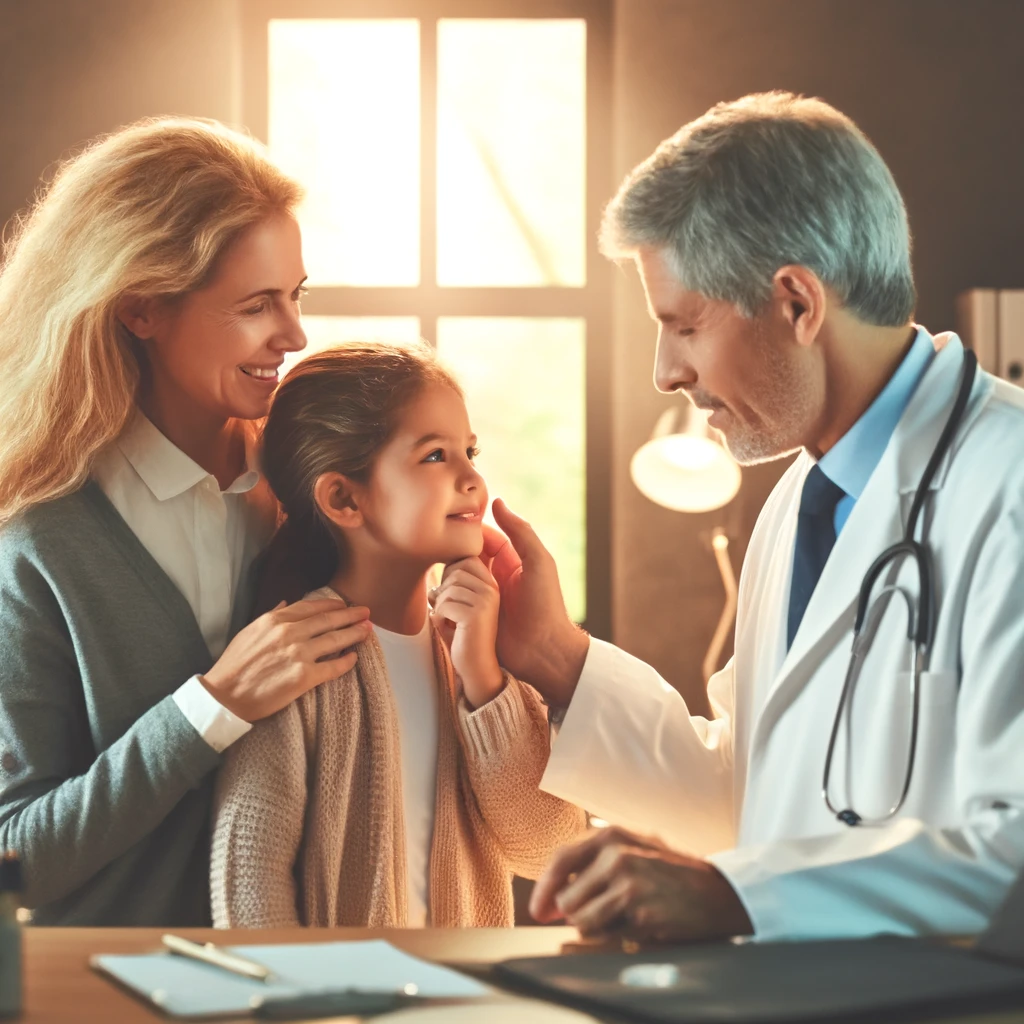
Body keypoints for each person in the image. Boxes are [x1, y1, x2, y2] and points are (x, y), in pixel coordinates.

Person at [481, 91, 1024, 943]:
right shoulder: (801, 500)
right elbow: (752, 794)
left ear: (797, 304)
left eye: (683, 325)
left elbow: (1013, 857)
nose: (665, 371)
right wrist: (556, 656)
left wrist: (741, 898)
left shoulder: (1009, 487)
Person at [0, 118, 371, 925]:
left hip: (312, 982)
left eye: (297, 295)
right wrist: (213, 705)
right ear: (141, 310)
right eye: (256, 305)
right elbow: (17, 859)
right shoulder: (35, 541)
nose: (296, 334)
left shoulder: (318, 492)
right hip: (107, 991)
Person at [209, 343, 585, 928]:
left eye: (470, 451)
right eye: (436, 455)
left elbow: (550, 851)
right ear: (343, 498)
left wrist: (484, 682)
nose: (472, 478)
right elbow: (249, 885)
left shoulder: (481, 658)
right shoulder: (293, 657)